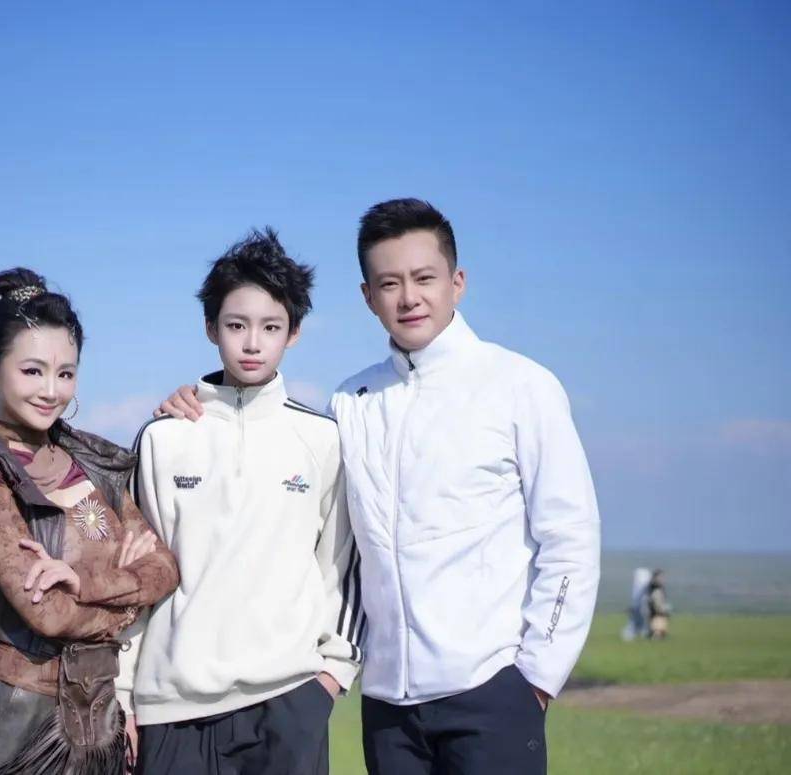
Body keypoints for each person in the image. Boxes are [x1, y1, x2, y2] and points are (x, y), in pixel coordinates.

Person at [160, 199, 601, 774]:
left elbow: (569, 537)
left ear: (457, 282)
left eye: (425, 278)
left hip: (493, 692)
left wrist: (536, 679)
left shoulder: (520, 387)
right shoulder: (351, 402)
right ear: (368, 297)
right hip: (388, 708)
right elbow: (302, 507)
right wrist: (203, 406)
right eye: (389, 283)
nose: (409, 297)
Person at [0, 268, 179, 775]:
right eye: (32, 371)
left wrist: (82, 582)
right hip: (16, 724)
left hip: (100, 724)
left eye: (66, 373)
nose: (51, 391)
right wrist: (127, 599)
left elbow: (165, 567)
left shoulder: (93, 465)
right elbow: (49, 614)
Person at [121, 229, 363, 775]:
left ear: (294, 333)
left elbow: (341, 566)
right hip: (172, 708)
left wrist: (331, 675)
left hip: (289, 700)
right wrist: (122, 692)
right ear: (211, 327)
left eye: (271, 327)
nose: (252, 343)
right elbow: (135, 579)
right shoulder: (163, 438)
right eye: (236, 325)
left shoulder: (322, 439)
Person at [647, 569, 671, 639]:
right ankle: (655, 636)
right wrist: (660, 608)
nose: (662, 579)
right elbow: (655, 600)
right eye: (660, 577)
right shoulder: (655, 588)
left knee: (661, 625)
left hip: (658, 609)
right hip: (656, 610)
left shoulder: (657, 587)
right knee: (658, 624)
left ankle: (657, 635)